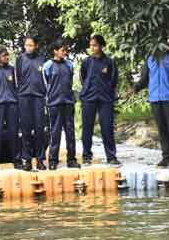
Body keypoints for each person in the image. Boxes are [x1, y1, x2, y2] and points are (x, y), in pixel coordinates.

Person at [133, 38, 169, 168]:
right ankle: (166, 158)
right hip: (155, 99)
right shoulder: (150, 58)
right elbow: (144, 78)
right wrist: (135, 88)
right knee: (162, 130)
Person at [79, 35, 119, 165]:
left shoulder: (109, 62)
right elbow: (83, 78)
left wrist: (106, 90)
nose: (92, 48)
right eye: (91, 45)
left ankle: (111, 157)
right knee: (87, 128)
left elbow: (113, 80)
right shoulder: (86, 62)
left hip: (105, 99)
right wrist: (88, 90)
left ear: (101, 46)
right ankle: (86, 156)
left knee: (107, 128)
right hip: (88, 98)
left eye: (95, 45)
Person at [43, 38, 79, 170]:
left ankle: (72, 160)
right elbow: (46, 83)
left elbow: (70, 81)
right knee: (55, 133)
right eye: (62, 50)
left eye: (66, 50)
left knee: (70, 132)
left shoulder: (69, 65)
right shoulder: (48, 66)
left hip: (68, 103)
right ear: (55, 51)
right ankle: (53, 160)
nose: (65, 52)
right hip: (54, 103)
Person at [15, 35, 48, 171]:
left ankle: (40, 160)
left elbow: (46, 78)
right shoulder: (20, 59)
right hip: (24, 97)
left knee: (40, 129)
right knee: (26, 130)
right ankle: (27, 160)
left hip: (39, 98)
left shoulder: (42, 60)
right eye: (26, 45)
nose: (28, 47)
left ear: (36, 46)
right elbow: (18, 78)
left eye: (31, 45)